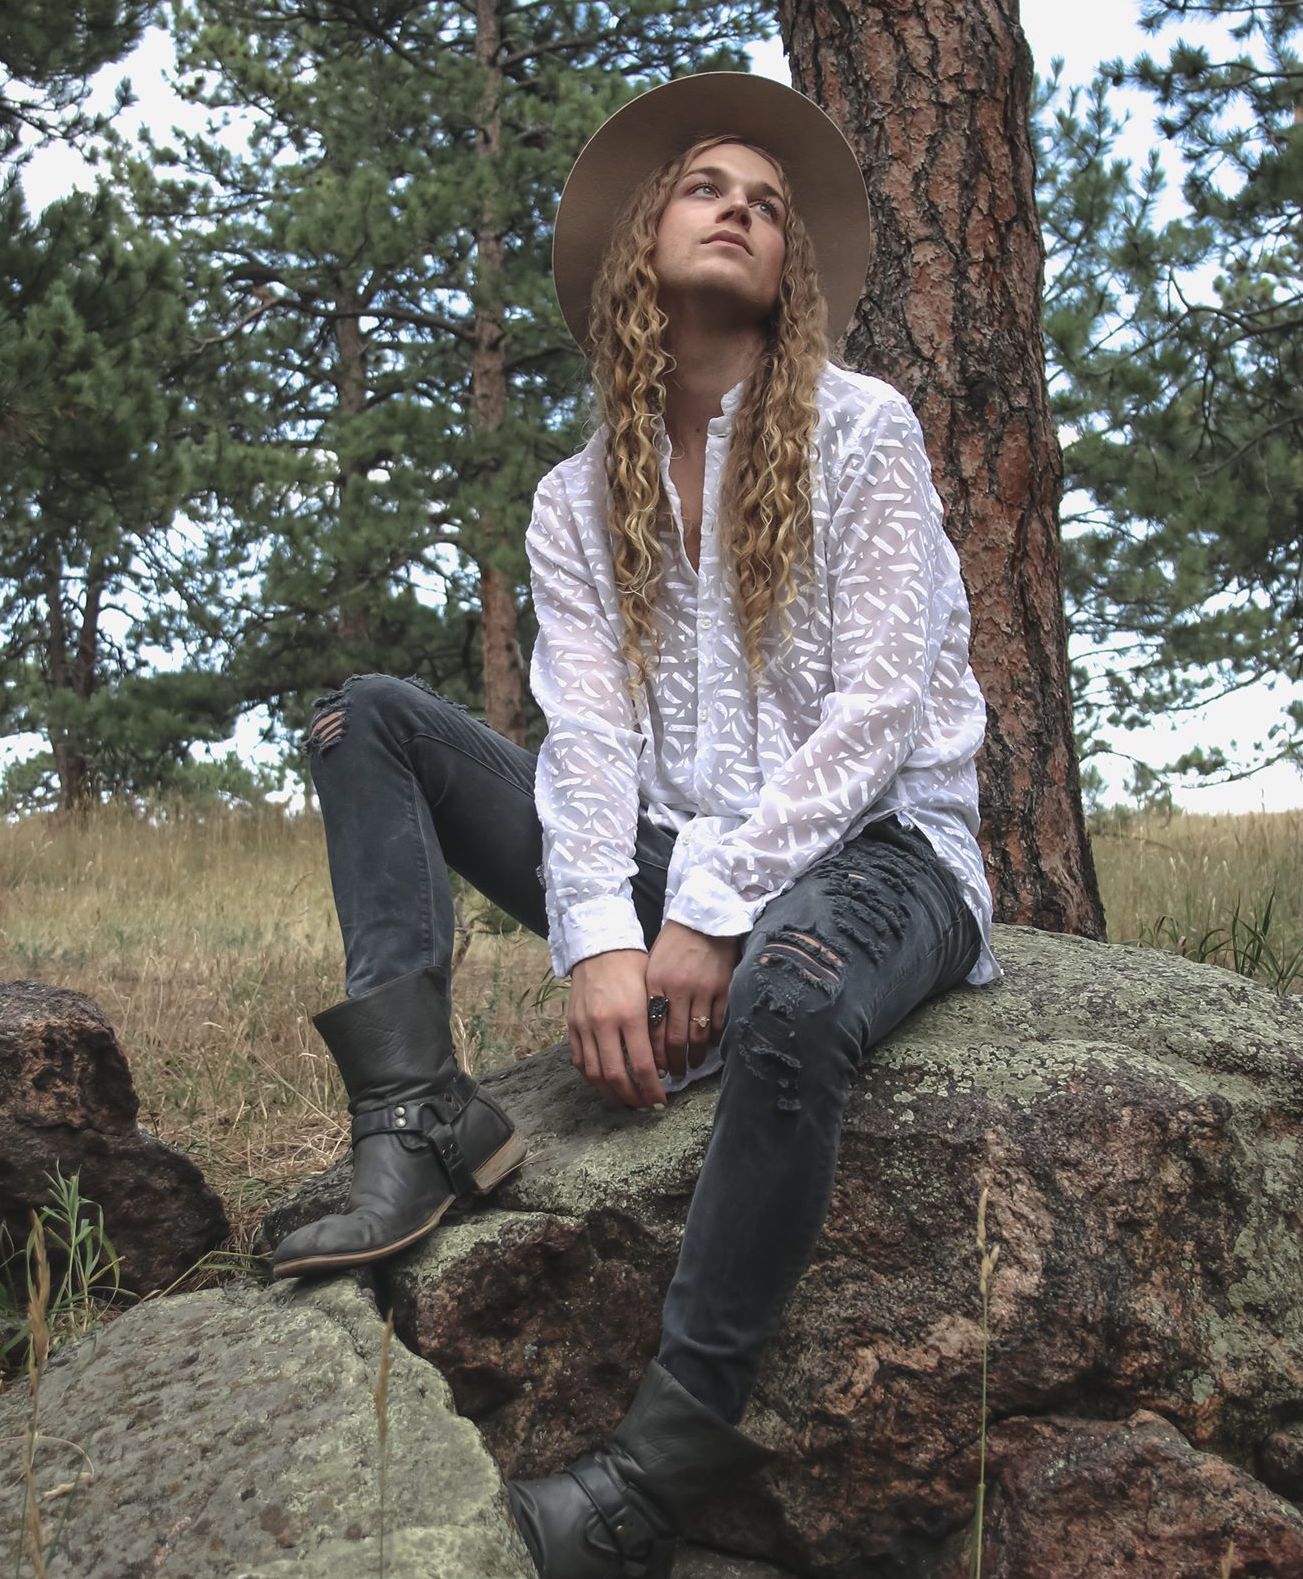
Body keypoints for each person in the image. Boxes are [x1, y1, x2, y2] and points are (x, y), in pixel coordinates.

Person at [268, 71, 998, 1579]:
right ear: (641, 241)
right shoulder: (574, 495)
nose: (740, 204)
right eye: (706, 183)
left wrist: (714, 909)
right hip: (673, 866)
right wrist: (599, 933)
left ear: (789, 270)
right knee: (366, 716)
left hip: (884, 856)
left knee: (794, 994)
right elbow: (588, 737)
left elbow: (878, 712)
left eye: (769, 202)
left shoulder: (864, 431)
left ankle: (661, 1467)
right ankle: (416, 1116)